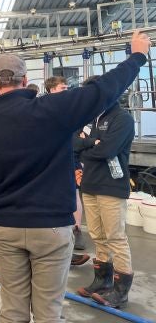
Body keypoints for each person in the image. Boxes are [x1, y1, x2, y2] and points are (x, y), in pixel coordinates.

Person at [0, 30, 150, 323]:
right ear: (25, 81)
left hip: (6, 227)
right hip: (51, 228)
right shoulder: (53, 110)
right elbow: (102, 89)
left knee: (11, 312)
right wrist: (137, 56)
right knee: (49, 311)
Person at [75, 78, 136, 308]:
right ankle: (102, 281)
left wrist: (85, 146)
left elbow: (107, 150)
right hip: (90, 184)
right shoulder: (92, 119)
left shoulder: (123, 119)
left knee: (116, 237)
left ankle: (120, 291)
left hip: (111, 187)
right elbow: (72, 142)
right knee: (98, 236)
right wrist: (91, 143)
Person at [45, 76, 89, 266]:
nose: (66, 90)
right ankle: (54, 237)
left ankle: (76, 230)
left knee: (75, 194)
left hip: (73, 159)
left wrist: (83, 140)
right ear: (51, 90)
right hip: (52, 159)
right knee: (53, 196)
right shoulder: (44, 108)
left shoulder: (72, 108)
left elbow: (81, 133)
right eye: (62, 88)